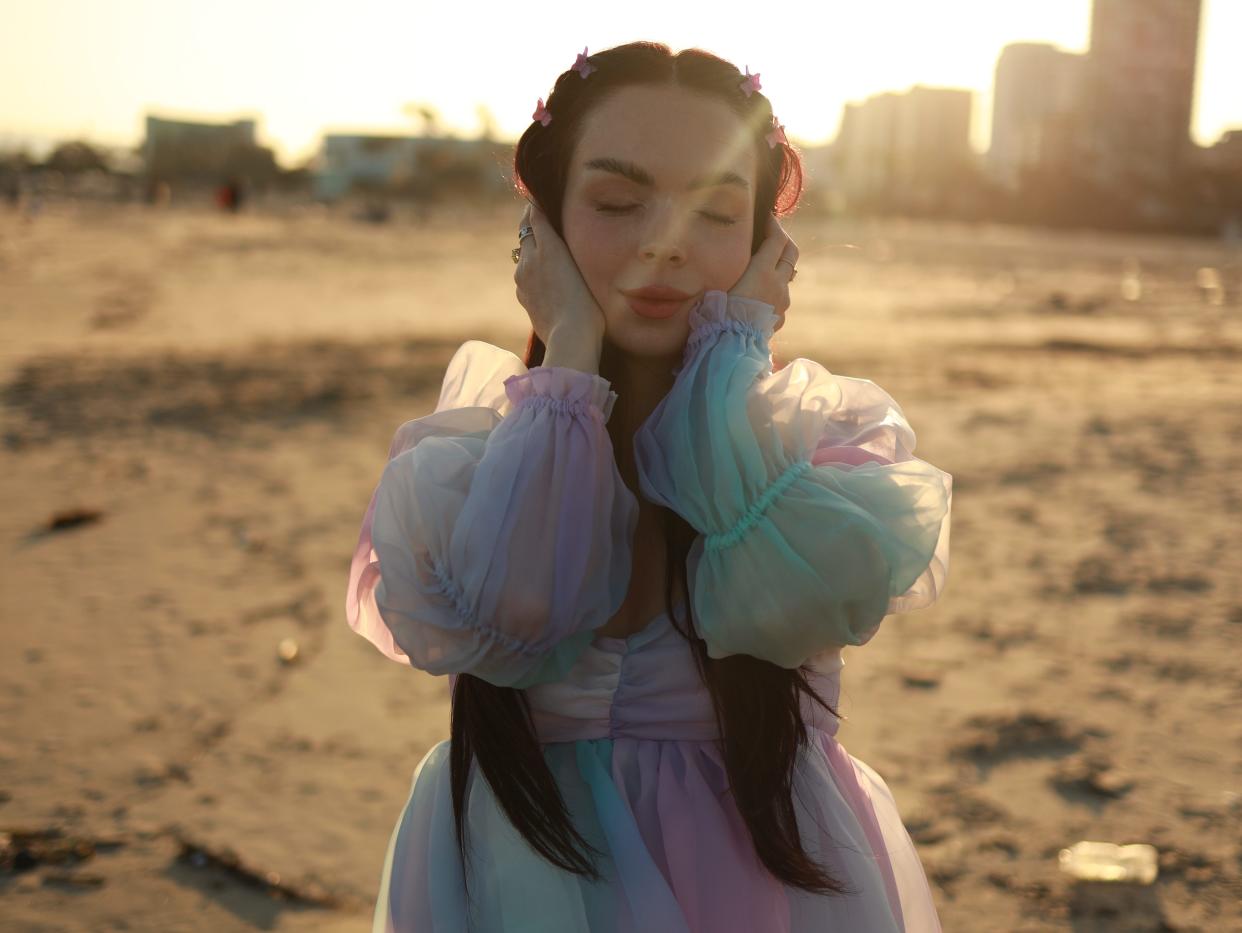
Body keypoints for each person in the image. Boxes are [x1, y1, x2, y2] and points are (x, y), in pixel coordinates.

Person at [346, 41, 953, 932]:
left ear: (763, 242)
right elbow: (520, 615)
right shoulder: (471, 469)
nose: (665, 241)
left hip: (768, 880)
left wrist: (734, 345)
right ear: (544, 225)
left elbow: (781, 596)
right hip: (524, 870)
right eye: (618, 202)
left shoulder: (813, 463)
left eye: (715, 211)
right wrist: (571, 353)